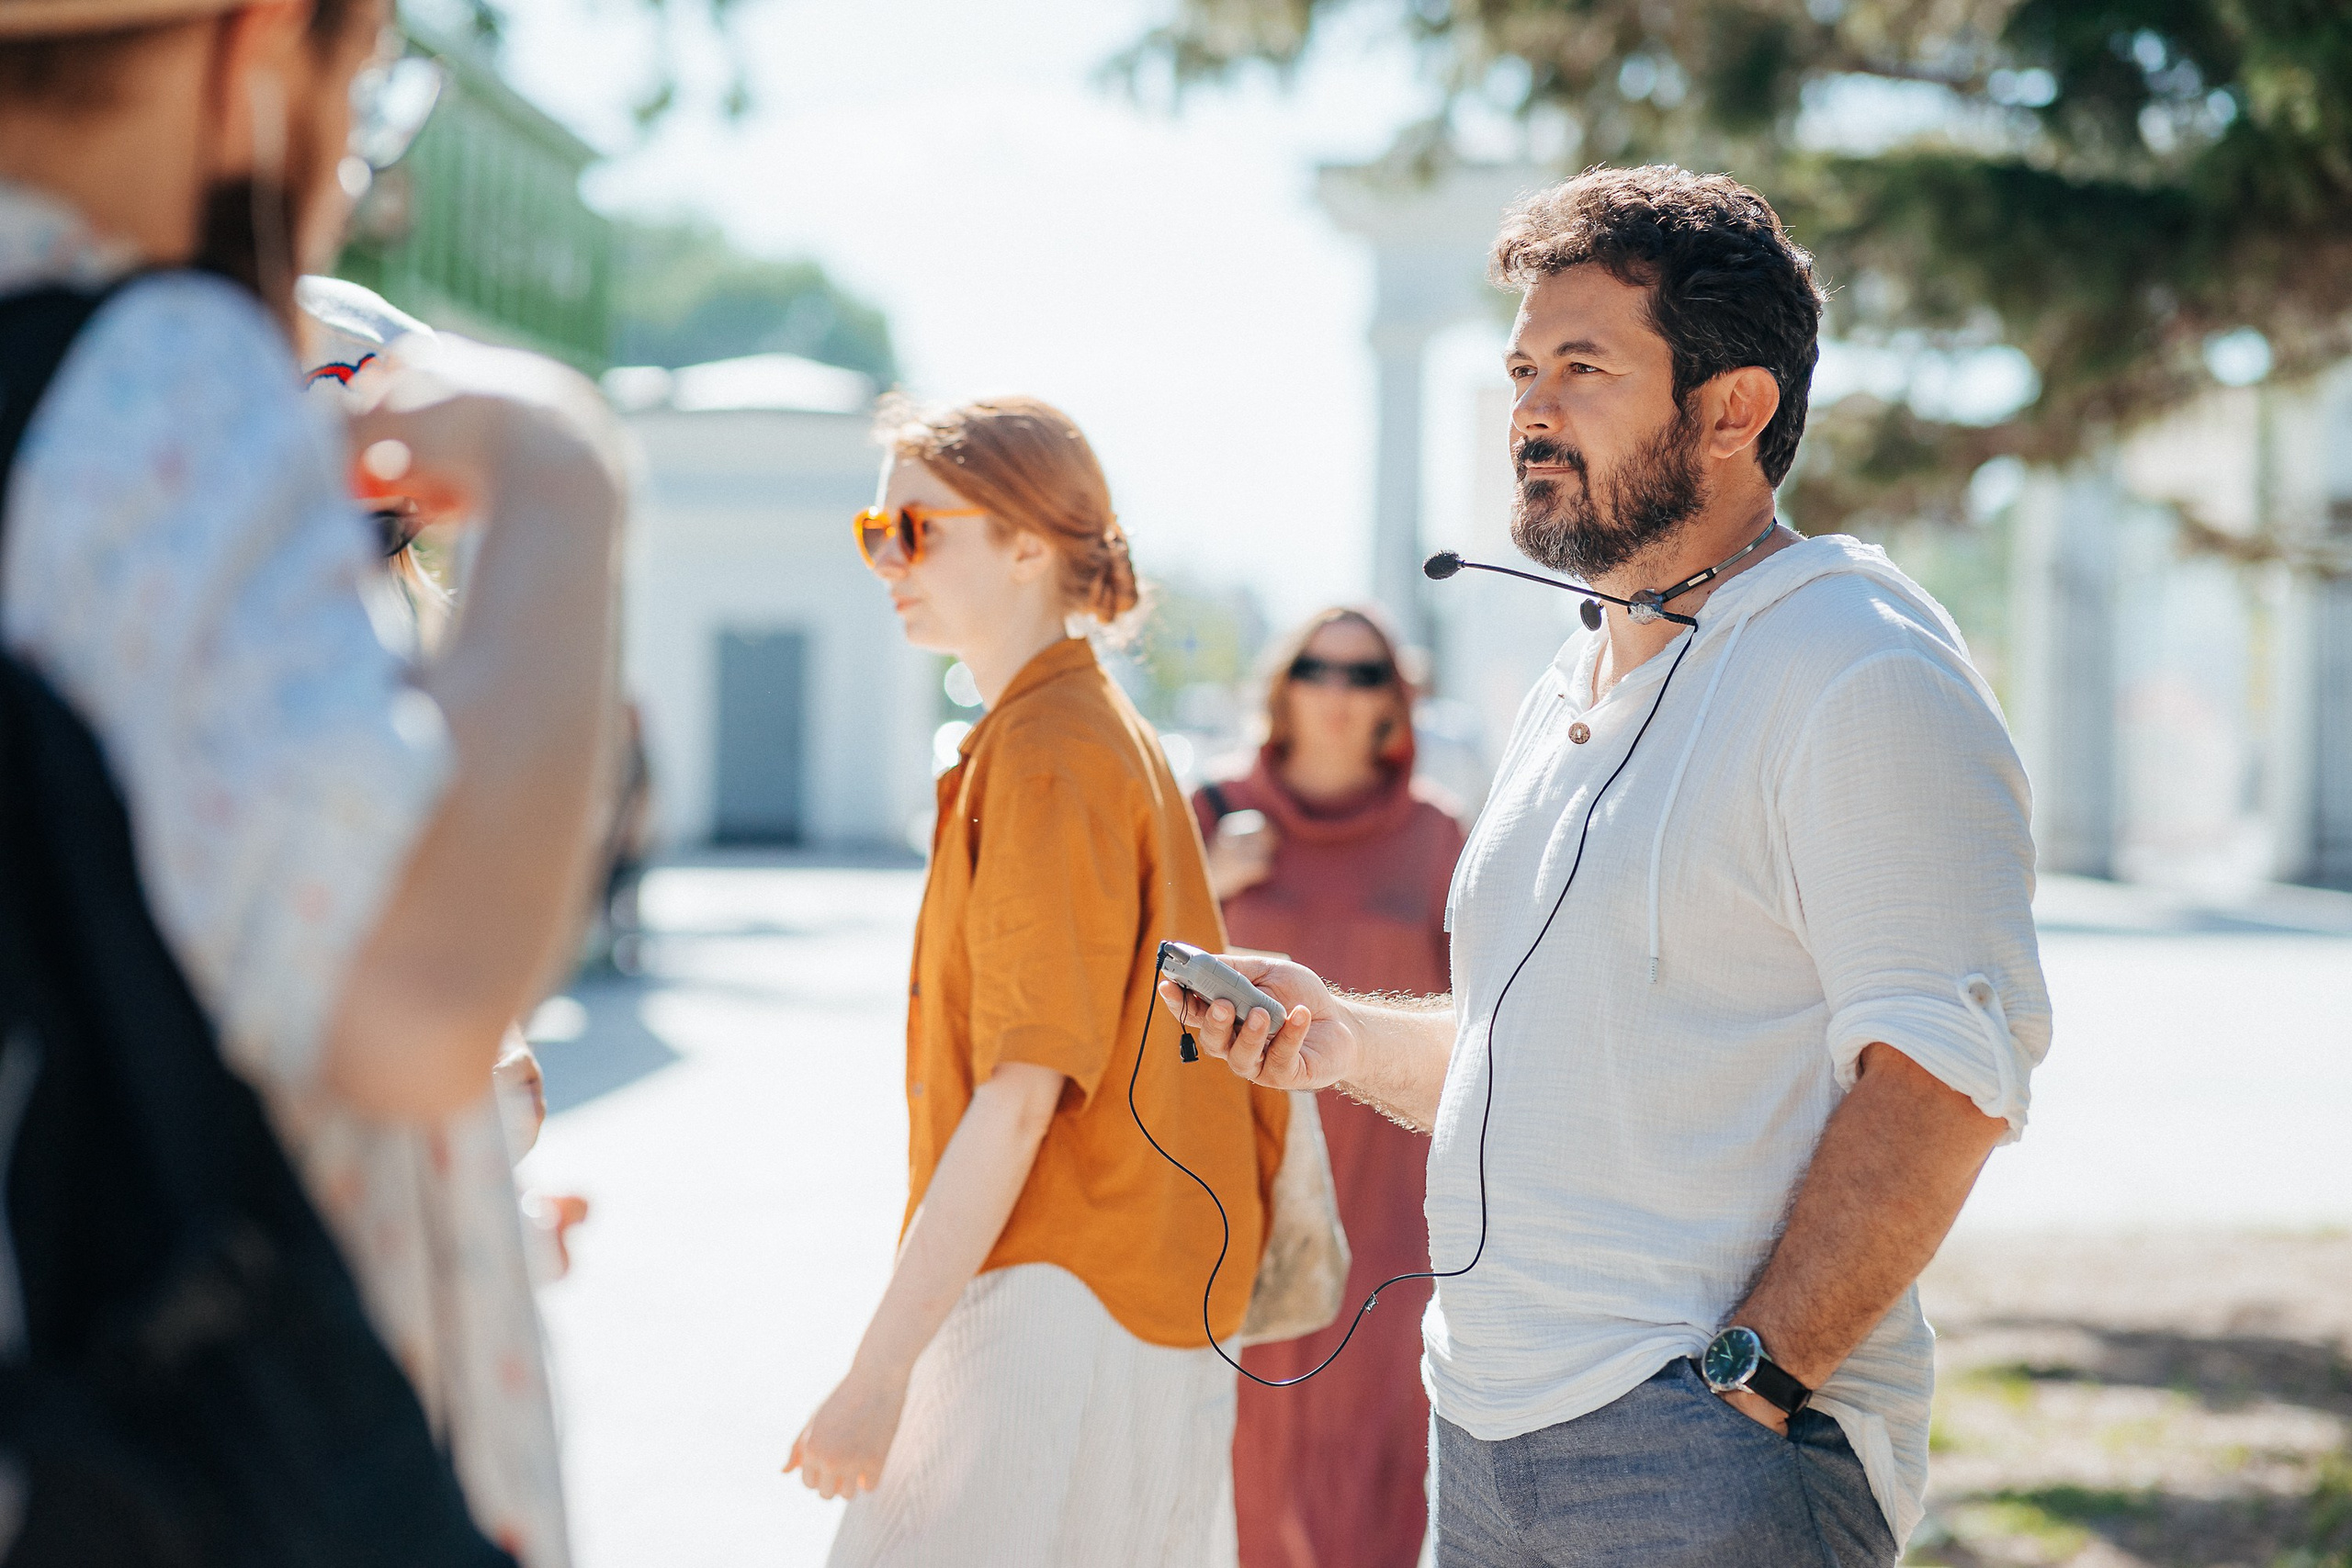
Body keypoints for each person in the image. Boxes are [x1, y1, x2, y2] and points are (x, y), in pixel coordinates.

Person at [1161, 164, 2052, 1568]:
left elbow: (1949, 1070)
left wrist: (1750, 1386)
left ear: (1733, 407)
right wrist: (1338, 1036)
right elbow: (1539, 1044)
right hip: (1481, 1423)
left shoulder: (1858, 662)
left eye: (1584, 365)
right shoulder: (1571, 680)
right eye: (1523, 365)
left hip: (1695, 1458)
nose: (1530, 406)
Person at [1, 4, 624, 1560]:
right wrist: (563, 481)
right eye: (371, 93)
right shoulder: (152, 371)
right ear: (268, 48)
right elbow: (416, 992)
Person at [788, 394, 1287, 1568]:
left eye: (914, 529)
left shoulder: (1051, 747)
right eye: (875, 531)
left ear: (1025, 543)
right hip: (1109, 1284)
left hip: (1057, 1290)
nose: (885, 560)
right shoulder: (1069, 727)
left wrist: (877, 1373)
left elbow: (1019, 1096)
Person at [1193, 605, 1464, 1568]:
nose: (1340, 695)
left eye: (1366, 675)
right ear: (1281, 685)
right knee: (1247, 1456)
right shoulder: (1212, 815)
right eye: (1318, 668)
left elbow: (1478, 1028)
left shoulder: (1441, 840)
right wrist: (1209, 879)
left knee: (1374, 1455)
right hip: (1240, 1190)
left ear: (1398, 698)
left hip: (1389, 1201)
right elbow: (1131, 981)